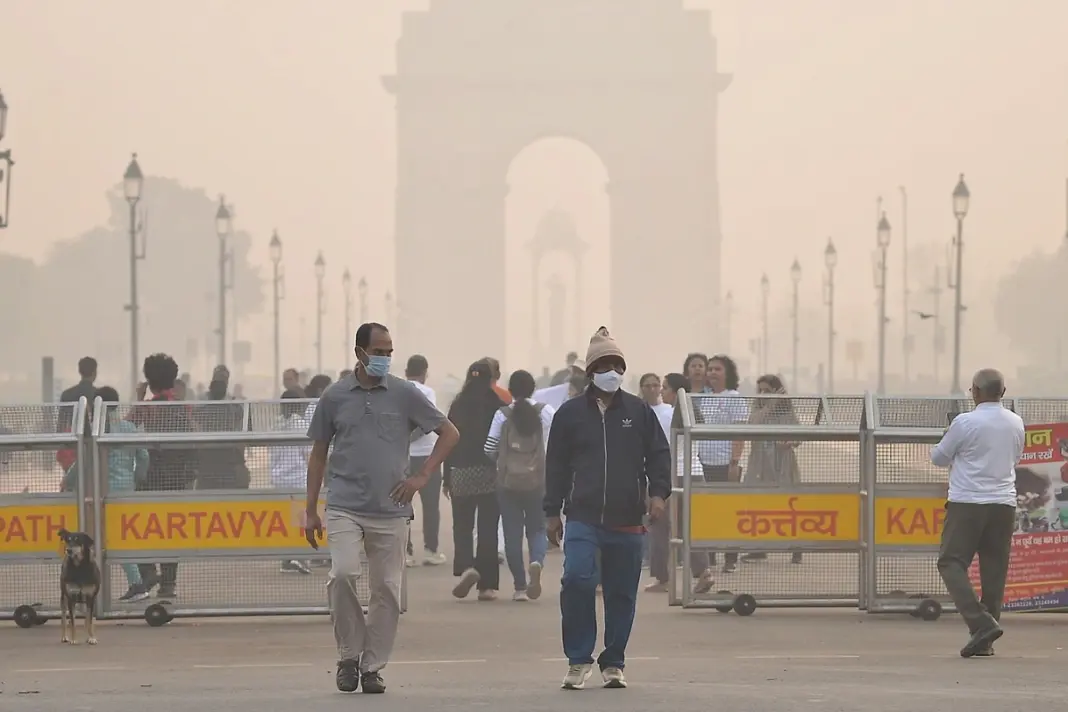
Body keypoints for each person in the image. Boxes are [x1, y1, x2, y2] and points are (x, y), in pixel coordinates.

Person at [304, 322, 458, 694]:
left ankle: (371, 666)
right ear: (359, 352)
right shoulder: (335, 396)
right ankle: (348, 656)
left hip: (391, 507)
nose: (386, 358)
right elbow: (319, 454)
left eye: (390, 351)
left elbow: (450, 433)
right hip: (343, 504)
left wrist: (421, 476)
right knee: (342, 574)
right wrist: (310, 510)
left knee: (387, 590)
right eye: (379, 351)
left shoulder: (405, 394)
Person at [545, 327, 671, 690]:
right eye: (605, 364)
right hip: (583, 516)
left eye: (617, 364)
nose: (612, 371)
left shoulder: (638, 411)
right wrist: (552, 511)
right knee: (576, 581)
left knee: (621, 592)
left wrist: (658, 495)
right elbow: (556, 465)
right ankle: (578, 658)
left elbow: (658, 456)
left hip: (628, 518)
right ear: (591, 371)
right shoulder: (570, 414)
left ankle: (613, 660)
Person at [931, 368, 1023, 658]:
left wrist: (951, 438)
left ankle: (980, 623)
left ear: (975, 392)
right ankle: (985, 641)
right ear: (1003, 393)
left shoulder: (965, 422)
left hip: (968, 503)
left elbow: (938, 457)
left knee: (950, 561)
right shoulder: (1016, 422)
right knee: (994, 571)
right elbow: (1015, 457)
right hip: (1003, 504)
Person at [129, 353, 198, 599]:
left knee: (140, 526)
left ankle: (147, 570)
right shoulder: (183, 406)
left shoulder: (149, 408)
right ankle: (168, 583)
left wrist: (138, 399)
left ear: (148, 379)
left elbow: (125, 428)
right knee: (171, 529)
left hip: (151, 477)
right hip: (178, 478)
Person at [484, 369, 555, 601]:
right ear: (533, 387)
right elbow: (557, 445)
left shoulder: (502, 414)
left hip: (508, 483)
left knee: (512, 533)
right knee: (537, 528)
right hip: (539, 481)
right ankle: (536, 561)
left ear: (511, 390)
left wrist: (502, 463)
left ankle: (520, 587)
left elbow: (489, 448)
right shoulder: (546, 412)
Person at [445, 360, 506, 601]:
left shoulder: (457, 405)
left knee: (462, 525)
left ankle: (466, 566)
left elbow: (447, 442)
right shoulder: (498, 405)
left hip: (460, 471)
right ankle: (487, 586)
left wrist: (446, 477)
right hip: (490, 472)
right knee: (488, 528)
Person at [690, 354, 748, 589]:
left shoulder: (734, 398)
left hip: (726, 464)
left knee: (729, 512)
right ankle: (709, 558)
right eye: (710, 369)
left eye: (717, 369)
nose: (712, 373)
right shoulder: (703, 398)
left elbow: (740, 433)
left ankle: (731, 558)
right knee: (707, 513)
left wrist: (734, 462)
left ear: (728, 374)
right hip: (704, 463)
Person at [96, 386, 151, 602]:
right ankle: (136, 583)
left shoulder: (98, 429)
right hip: (127, 488)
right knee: (123, 536)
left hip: (106, 491)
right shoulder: (128, 427)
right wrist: (138, 476)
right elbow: (143, 455)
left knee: (114, 539)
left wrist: (68, 481)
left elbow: (84, 462)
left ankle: (137, 584)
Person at [741, 374, 802, 565]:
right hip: (760, 462)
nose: (763, 395)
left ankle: (796, 548)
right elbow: (753, 425)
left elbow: (798, 437)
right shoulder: (758, 409)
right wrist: (770, 404)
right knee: (756, 505)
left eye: (767, 391)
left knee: (788, 506)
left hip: (782, 462)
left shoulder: (786, 411)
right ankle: (758, 549)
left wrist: (790, 441)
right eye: (760, 391)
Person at [404, 354, 447, 567]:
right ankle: (431, 550)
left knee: (403, 504)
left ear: (406, 371)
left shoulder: (399, 390)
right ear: (425, 373)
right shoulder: (428, 392)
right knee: (431, 506)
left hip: (403, 457)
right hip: (427, 456)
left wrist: (404, 440)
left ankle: (406, 552)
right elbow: (428, 422)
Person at [271, 389, 313, 574]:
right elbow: (308, 455)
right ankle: (300, 558)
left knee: (286, 522)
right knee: (303, 521)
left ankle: (287, 559)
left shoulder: (276, 425)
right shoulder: (301, 425)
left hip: (279, 480)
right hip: (298, 479)